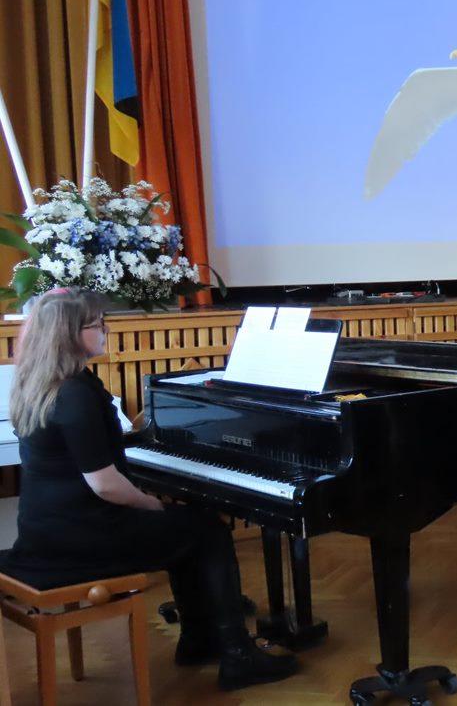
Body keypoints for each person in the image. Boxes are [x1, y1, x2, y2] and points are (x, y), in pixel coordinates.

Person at [0, 288, 298, 692]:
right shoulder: (75, 394)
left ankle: (198, 639)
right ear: (70, 334)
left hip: (47, 530)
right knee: (207, 530)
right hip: (82, 538)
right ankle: (237, 655)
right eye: (97, 324)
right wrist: (150, 504)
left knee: (186, 526)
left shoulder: (40, 383)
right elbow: (105, 485)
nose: (106, 330)